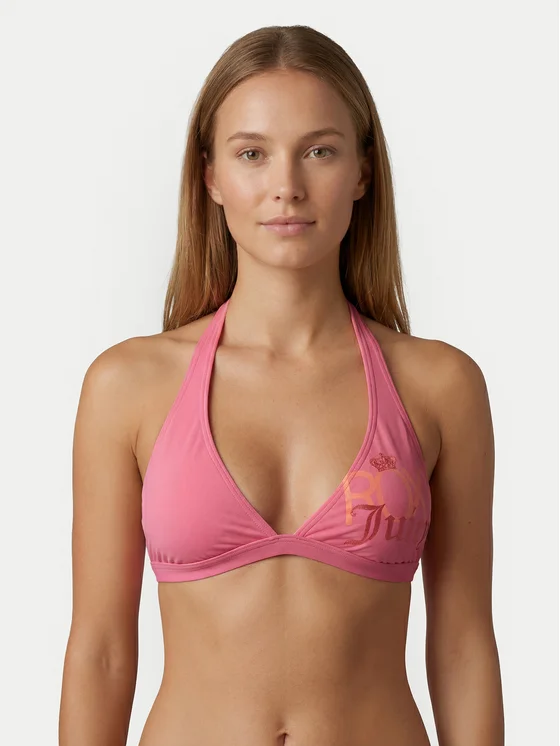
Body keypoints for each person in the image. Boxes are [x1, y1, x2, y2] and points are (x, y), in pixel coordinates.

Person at [58, 24, 505, 746]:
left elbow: (462, 647)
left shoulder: (440, 386)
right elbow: (101, 652)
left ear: (362, 173)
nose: (287, 187)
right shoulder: (127, 387)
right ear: (210, 176)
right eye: (252, 153)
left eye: (320, 151)